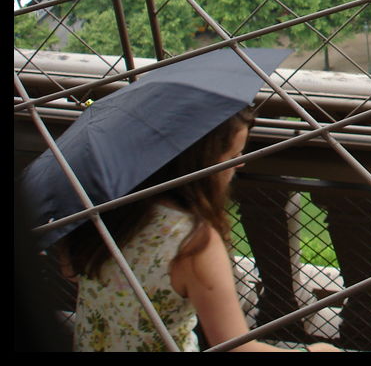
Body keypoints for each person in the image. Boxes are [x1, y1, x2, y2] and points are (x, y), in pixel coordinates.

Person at [58, 105, 338, 352]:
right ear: (198, 163)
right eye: (233, 155)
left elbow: (71, 271)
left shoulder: (103, 208)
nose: (239, 164)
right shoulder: (192, 242)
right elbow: (234, 347)